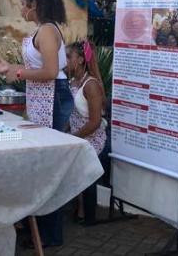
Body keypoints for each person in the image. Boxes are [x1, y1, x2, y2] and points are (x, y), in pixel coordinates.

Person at [0, 0, 74, 248]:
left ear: (35, 4)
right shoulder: (42, 30)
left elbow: (49, 72)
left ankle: (50, 234)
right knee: (40, 163)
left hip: (53, 99)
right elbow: (37, 66)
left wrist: (19, 72)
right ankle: (37, 226)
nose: (22, 10)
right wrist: (9, 68)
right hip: (43, 98)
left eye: (24, 4)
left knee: (47, 165)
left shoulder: (47, 32)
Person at [66, 39, 107, 225]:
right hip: (77, 135)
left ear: (81, 59)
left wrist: (74, 138)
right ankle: (79, 208)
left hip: (92, 138)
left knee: (84, 173)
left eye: (69, 56)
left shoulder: (91, 85)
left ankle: (87, 213)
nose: (65, 60)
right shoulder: (73, 81)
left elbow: (95, 122)